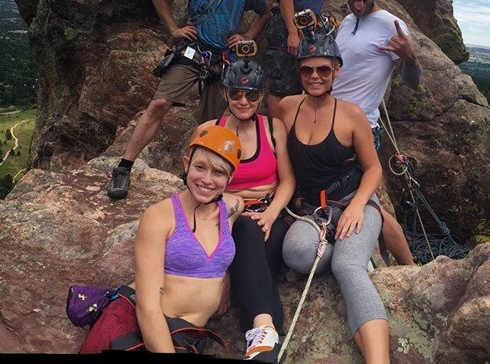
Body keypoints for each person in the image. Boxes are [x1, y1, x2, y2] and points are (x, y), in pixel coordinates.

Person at [108, 0, 272, 201]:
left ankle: (194, 179)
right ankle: (124, 166)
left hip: (222, 58)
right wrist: (173, 28)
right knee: (159, 103)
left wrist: (248, 36)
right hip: (193, 51)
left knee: (208, 124)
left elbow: (265, 11)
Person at [80, 124, 245, 354]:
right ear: (186, 164)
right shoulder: (159, 217)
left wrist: (224, 276)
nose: (207, 180)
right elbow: (148, 307)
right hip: (142, 326)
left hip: (184, 334)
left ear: (230, 177)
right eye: (200, 167)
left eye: (218, 172)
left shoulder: (232, 207)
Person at [278, 32, 391, 363]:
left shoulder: (352, 114)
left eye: (323, 70)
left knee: (347, 265)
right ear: (299, 71)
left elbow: (373, 169)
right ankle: (349, 250)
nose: (315, 77)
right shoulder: (287, 108)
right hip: (315, 209)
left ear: (336, 70)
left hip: (354, 201)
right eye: (307, 70)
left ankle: (378, 359)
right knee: (296, 254)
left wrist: (358, 207)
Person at [331, 0, 421, 266]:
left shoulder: (391, 25)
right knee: (364, 203)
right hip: (330, 125)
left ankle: (408, 268)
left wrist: (409, 58)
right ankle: (409, 267)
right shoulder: (345, 23)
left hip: (360, 130)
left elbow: (413, 80)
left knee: (367, 205)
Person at [201, 60, 295, 361]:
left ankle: (259, 331)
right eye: (236, 94)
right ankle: (265, 335)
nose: (243, 101)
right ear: (225, 94)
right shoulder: (209, 130)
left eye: (251, 95)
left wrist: (270, 214)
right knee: (246, 232)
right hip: (225, 216)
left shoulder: (272, 127)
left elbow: (288, 181)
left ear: (262, 95)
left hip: (271, 214)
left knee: (250, 238)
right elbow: (198, 180)